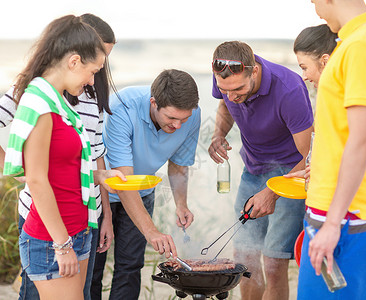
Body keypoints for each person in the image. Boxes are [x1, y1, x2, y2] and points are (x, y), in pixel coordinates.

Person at [2, 15, 124, 300]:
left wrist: (101, 175)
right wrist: (61, 245)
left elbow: (67, 167)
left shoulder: (57, 100)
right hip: (53, 238)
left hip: (79, 228)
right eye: (92, 71)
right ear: (73, 62)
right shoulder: (40, 103)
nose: (93, 80)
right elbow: (36, 178)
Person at [294, 1, 366, 298]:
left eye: (314, 1)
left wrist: (332, 223)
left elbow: (361, 141)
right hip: (353, 209)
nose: (315, 10)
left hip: (344, 214)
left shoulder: (360, 46)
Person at [208, 41, 314, 300]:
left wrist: (272, 192)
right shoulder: (225, 77)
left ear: (254, 71)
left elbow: (310, 156)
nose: (231, 96)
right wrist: (218, 134)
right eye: (225, 89)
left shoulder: (289, 89)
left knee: (274, 263)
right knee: (245, 258)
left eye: (238, 89)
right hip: (253, 170)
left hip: (292, 174)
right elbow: (225, 106)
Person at [100, 68, 201, 299]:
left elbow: (178, 163)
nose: (177, 126)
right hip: (103, 193)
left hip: (143, 193)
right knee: (94, 268)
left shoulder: (192, 115)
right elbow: (123, 181)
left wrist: (181, 204)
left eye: (183, 119)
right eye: (172, 118)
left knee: (130, 267)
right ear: (154, 103)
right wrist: (152, 231)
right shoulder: (121, 107)